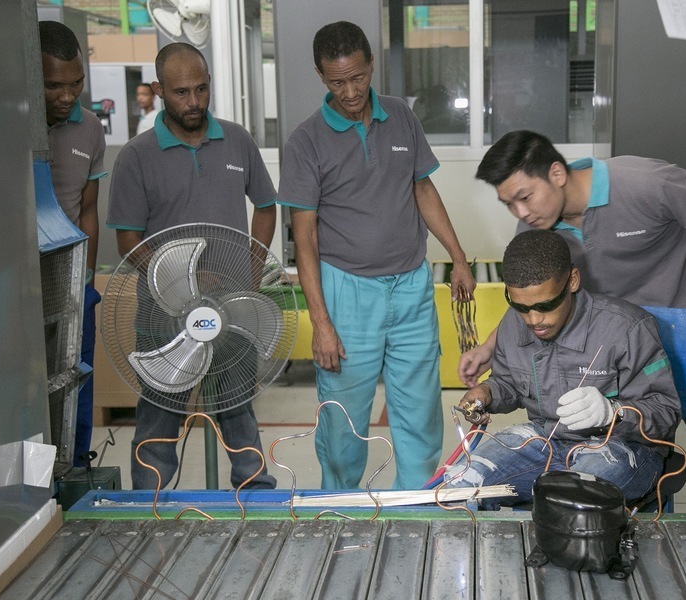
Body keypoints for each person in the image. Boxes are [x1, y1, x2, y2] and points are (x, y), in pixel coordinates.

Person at [277, 21, 475, 490]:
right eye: (336, 82)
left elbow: (422, 189)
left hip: (411, 287)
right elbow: (305, 240)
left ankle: (417, 504)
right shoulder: (306, 142)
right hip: (347, 292)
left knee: (420, 412)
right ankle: (340, 504)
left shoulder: (400, 115)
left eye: (358, 77)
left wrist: (458, 256)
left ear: (371, 64)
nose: (350, 92)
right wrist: (321, 323)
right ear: (320, 76)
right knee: (343, 421)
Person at [459, 130, 686, 466]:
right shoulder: (535, 229)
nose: (520, 212)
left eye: (525, 196)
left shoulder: (646, 183)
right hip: (620, 348)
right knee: (628, 444)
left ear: (557, 173)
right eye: (509, 203)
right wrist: (488, 348)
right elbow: (540, 301)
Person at [107, 42, 278, 490]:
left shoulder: (237, 140)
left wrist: (251, 270)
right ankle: (149, 503)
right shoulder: (137, 156)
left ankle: (255, 494)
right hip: (164, 319)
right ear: (159, 90)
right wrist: (178, 281)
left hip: (232, 311)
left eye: (201, 89)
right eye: (181, 92)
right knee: (160, 415)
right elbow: (128, 240)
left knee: (238, 411)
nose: (194, 102)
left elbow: (266, 206)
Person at [449, 230, 681, 507]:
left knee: (568, 502)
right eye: (520, 306)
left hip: (623, 447)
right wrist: (487, 392)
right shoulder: (513, 324)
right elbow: (509, 382)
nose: (534, 319)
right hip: (545, 442)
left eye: (546, 305)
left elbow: (666, 412)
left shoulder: (627, 329)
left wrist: (613, 413)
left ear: (572, 280)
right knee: (459, 486)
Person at [39, 21, 108, 467]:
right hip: (17, 277)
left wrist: (86, 279)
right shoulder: (5, 126)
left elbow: (88, 209)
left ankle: (76, 464)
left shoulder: (90, 129)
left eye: (76, 83)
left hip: (71, 277)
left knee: (75, 376)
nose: (68, 96)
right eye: (54, 86)